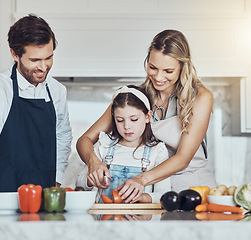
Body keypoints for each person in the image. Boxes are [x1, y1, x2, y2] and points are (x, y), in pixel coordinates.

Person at [76, 29, 216, 203]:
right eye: (152, 67)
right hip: (150, 192)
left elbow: (183, 158)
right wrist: (93, 162)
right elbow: (85, 140)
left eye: (168, 71)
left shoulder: (201, 97)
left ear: (182, 67)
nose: (158, 77)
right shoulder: (137, 98)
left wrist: (141, 179)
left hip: (192, 187)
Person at [0, 14, 72, 211]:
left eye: (49, 58)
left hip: (43, 204)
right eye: (35, 60)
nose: (43, 67)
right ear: (15, 54)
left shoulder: (57, 91)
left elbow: (63, 137)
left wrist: (57, 179)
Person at [76, 85, 170, 203]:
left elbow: (164, 195)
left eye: (134, 119)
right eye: (120, 120)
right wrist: (91, 179)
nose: (126, 126)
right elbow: (79, 184)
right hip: (103, 220)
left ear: (148, 116)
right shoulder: (104, 145)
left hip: (140, 219)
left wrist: (141, 197)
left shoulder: (158, 151)